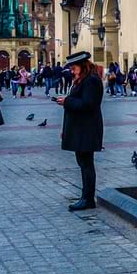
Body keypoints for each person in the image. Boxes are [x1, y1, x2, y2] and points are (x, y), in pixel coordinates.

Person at [56, 52, 104, 212]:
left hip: (87, 128)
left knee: (86, 163)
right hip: (80, 128)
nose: (72, 70)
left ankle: (88, 198)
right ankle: (86, 196)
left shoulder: (91, 80)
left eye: (74, 67)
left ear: (83, 66)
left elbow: (89, 104)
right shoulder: (83, 79)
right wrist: (65, 128)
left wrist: (67, 101)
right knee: (83, 163)